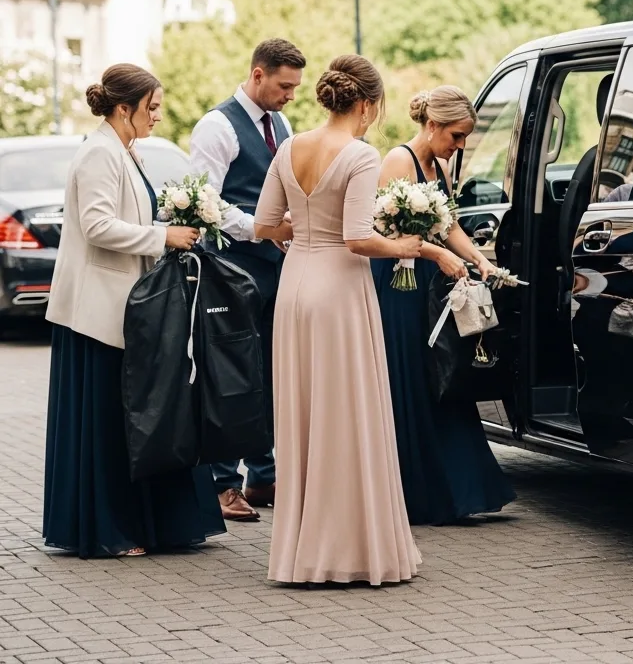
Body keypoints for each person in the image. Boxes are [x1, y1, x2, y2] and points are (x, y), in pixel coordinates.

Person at [43, 64, 225, 558]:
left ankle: (141, 523)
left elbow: (129, 215)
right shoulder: (99, 153)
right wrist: (161, 235)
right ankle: (108, 530)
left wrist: (174, 218)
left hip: (125, 306)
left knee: (132, 418)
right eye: (153, 107)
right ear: (125, 108)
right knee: (109, 423)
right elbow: (98, 225)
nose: (159, 116)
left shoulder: (125, 150)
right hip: (97, 313)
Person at [253, 55, 421, 585]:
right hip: (340, 291)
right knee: (345, 415)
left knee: (304, 417)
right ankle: (348, 548)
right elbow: (356, 238)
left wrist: (300, 236)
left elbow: (262, 225)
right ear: (367, 104)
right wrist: (406, 246)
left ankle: (302, 551)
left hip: (295, 287)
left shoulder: (288, 145)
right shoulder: (361, 155)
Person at [372, 86, 516, 525]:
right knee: (411, 379)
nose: (460, 146)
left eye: (465, 137)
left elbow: (447, 221)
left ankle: (457, 487)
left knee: (442, 374)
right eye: (456, 136)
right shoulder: (398, 161)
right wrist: (432, 253)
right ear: (432, 125)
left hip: (428, 281)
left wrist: (478, 259)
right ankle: (415, 493)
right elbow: (376, 227)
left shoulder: (440, 166)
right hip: (399, 284)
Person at [189, 38, 305, 522]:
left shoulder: (281, 123)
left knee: (270, 370)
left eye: (295, 87)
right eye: (284, 85)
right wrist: (262, 228)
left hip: (276, 268)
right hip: (230, 270)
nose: (290, 96)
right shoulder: (216, 126)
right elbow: (203, 202)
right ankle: (222, 483)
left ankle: (262, 474)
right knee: (231, 374)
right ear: (258, 74)